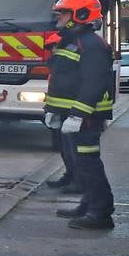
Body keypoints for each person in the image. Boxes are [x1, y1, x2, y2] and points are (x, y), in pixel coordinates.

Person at [43, 0, 116, 230]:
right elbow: (63, 79)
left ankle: (101, 214)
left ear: (80, 15)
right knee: (79, 163)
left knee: (88, 164)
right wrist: (52, 109)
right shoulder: (71, 41)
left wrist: (78, 115)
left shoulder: (92, 44)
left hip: (85, 118)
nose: (59, 18)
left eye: (63, 13)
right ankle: (90, 204)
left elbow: (93, 83)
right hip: (72, 116)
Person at [42, 32, 81, 196]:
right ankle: (69, 175)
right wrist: (50, 109)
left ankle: (78, 181)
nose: (51, 51)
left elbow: (68, 88)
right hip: (61, 111)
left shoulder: (66, 63)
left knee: (74, 148)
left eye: (53, 47)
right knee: (65, 148)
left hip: (71, 111)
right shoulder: (59, 64)